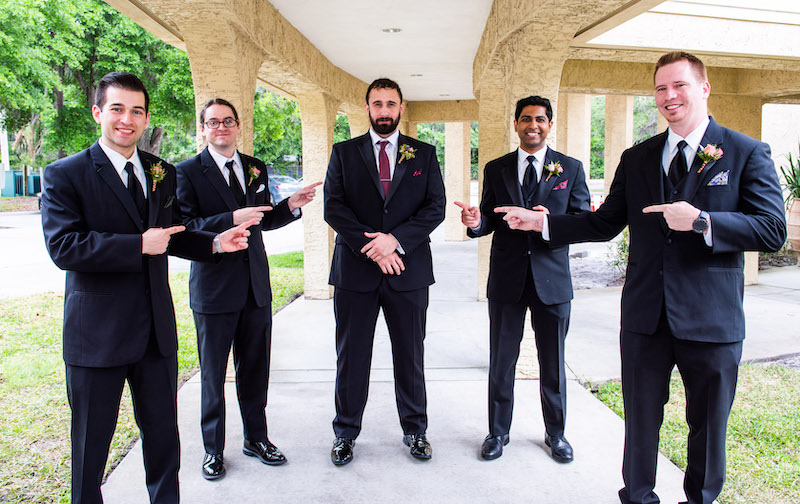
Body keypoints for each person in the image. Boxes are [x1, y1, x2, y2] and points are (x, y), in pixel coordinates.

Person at [495, 52, 786, 504]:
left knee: (708, 428)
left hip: (711, 320)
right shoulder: (638, 158)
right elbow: (603, 222)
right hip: (645, 318)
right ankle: (638, 496)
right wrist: (544, 223)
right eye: (661, 88)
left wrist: (704, 221)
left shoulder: (745, 151)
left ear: (703, 89)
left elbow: (772, 229)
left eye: (679, 86)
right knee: (641, 421)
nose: (669, 97)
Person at [40, 72, 255, 503]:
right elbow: (64, 246)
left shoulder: (162, 172)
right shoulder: (65, 174)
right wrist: (138, 245)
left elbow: (172, 234)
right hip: (96, 337)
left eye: (136, 111)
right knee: (90, 448)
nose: (127, 119)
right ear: (98, 112)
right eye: (117, 109)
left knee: (163, 442)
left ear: (146, 118)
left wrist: (215, 242)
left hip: (156, 335)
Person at [175, 98, 320, 480]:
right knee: (212, 375)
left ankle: (256, 439)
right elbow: (187, 227)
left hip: (256, 287)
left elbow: (262, 220)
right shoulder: (187, 172)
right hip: (214, 289)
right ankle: (212, 450)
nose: (221, 128)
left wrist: (291, 205)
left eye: (228, 121)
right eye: (213, 122)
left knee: (255, 371)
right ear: (203, 129)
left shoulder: (255, 167)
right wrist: (230, 219)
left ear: (238, 126)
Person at [455, 95, 590, 462]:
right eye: (526, 119)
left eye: (541, 119)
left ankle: (556, 434)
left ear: (550, 124)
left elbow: (584, 222)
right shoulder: (496, 168)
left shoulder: (571, 168)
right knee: (502, 360)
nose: (533, 125)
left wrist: (550, 221)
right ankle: (498, 432)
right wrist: (473, 223)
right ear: (515, 124)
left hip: (553, 282)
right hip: (507, 279)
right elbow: (487, 219)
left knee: (553, 361)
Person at [323, 78, 445, 466]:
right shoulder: (344, 153)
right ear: (367, 108)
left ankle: (416, 430)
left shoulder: (423, 154)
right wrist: (373, 247)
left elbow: (435, 207)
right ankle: (345, 433)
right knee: (351, 356)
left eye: (390, 103)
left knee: (410, 355)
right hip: (355, 273)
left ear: (401, 107)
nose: (384, 111)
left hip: (407, 272)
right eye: (377, 104)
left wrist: (394, 241)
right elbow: (334, 207)